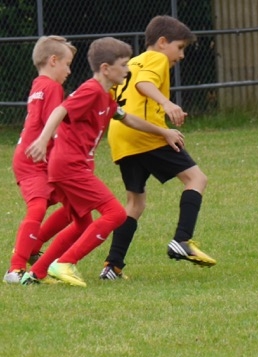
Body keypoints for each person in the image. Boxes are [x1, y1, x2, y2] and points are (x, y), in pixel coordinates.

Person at [21, 37, 185, 287]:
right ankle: (65, 263)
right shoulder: (91, 90)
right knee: (116, 214)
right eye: (124, 65)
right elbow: (60, 110)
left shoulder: (106, 97)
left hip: (67, 166)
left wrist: (163, 132)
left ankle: (36, 273)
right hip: (70, 166)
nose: (128, 70)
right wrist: (43, 140)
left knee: (82, 222)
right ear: (106, 68)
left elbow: (127, 118)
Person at [100, 15, 215, 281]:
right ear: (162, 42)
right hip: (146, 134)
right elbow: (144, 85)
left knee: (135, 203)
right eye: (180, 47)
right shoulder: (156, 58)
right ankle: (182, 240)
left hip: (121, 135)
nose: (181, 55)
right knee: (196, 179)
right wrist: (167, 103)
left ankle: (112, 266)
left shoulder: (131, 62)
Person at [3, 36, 77, 285]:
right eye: (67, 64)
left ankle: (32, 247)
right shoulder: (53, 87)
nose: (69, 71)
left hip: (31, 156)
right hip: (35, 159)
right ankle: (15, 268)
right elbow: (52, 124)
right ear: (53, 60)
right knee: (37, 207)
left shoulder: (39, 84)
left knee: (73, 207)